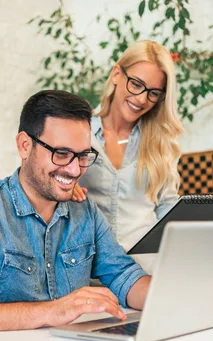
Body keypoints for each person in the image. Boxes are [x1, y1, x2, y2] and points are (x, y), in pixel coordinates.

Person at [0, 90, 151, 333]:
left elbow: (123, 276)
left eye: (83, 155)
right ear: (25, 146)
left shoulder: (85, 212)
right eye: (62, 154)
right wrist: (54, 311)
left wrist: (179, 295)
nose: (75, 170)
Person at [73, 40, 183, 253]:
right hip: (88, 270)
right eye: (136, 84)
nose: (142, 99)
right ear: (116, 75)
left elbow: (167, 211)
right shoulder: (79, 133)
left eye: (153, 93)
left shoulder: (161, 144)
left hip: (144, 272)